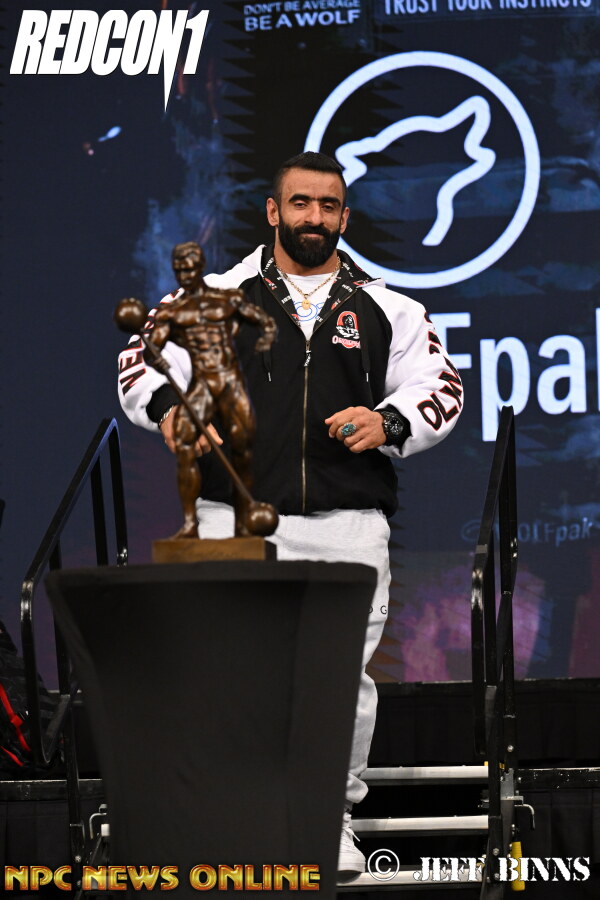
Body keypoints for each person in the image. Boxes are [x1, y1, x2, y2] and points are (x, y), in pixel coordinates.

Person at [118, 151, 463, 877]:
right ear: (273, 212)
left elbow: (441, 385)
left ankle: (325, 822)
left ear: (345, 217)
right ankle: (227, 821)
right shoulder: (215, 294)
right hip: (230, 514)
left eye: (328, 206)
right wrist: (169, 411)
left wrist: (389, 421)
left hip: (348, 521)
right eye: (301, 203)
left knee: (339, 682)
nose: (315, 217)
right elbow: (139, 362)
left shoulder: (390, 307)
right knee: (225, 675)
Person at [141, 241, 277, 538]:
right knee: (187, 447)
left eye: (190, 269)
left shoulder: (227, 298)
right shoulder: (173, 312)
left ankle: (242, 522)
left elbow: (266, 323)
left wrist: (265, 342)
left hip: (230, 383)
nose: (186, 275)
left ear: (200, 267)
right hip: (204, 388)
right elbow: (148, 352)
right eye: (180, 270)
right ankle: (191, 523)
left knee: (243, 447)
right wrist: (154, 354)